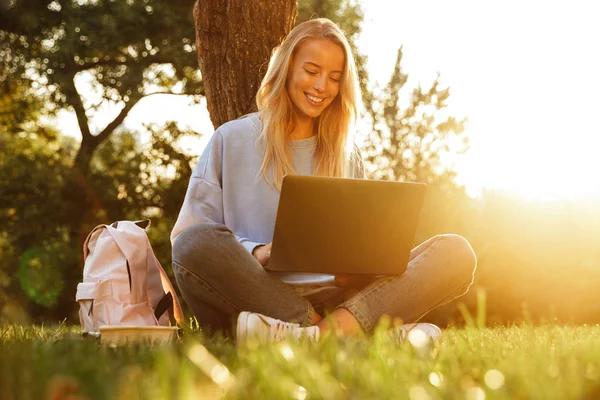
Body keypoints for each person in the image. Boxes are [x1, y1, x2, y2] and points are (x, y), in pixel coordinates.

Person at [170, 18, 476, 343]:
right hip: (254, 296)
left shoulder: (347, 153)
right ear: (287, 68)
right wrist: (258, 253)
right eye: (311, 71)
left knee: (456, 253)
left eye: (333, 78)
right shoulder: (230, 139)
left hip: (339, 298)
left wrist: (362, 268)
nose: (321, 87)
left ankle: (313, 337)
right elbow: (187, 240)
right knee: (193, 243)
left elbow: (361, 245)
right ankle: (349, 335)